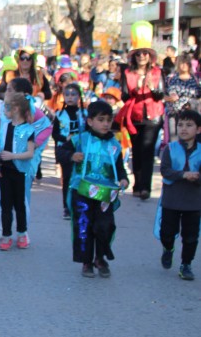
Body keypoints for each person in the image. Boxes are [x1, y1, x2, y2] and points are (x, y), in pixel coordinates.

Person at [56, 100, 129, 277]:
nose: (105, 124)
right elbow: (60, 153)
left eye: (108, 120)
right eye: (101, 119)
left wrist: (123, 178)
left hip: (104, 194)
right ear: (90, 121)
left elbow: (119, 167)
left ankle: (100, 257)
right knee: (83, 226)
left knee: (105, 226)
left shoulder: (115, 145)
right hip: (81, 191)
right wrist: (72, 155)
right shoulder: (79, 139)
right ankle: (87, 262)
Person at [118, 21, 164, 200]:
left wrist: (152, 88)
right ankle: (137, 184)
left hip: (153, 117)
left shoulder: (157, 72)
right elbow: (123, 96)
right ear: (134, 56)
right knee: (136, 151)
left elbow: (161, 95)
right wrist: (134, 90)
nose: (142, 56)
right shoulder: (128, 73)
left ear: (150, 56)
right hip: (134, 117)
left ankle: (146, 187)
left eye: (145, 53)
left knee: (147, 150)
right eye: (139, 53)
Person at [157, 109, 201, 280]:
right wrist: (183, 175)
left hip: (193, 201)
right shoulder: (170, 148)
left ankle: (186, 264)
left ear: (198, 129)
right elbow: (165, 170)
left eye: (189, 125)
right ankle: (168, 248)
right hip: (172, 200)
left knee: (190, 236)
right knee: (167, 233)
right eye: (180, 124)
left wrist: (196, 177)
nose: (183, 129)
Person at [0, 92, 36, 250]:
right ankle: (6, 235)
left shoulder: (28, 129)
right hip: (4, 171)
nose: (4, 110)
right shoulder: (5, 126)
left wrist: (13, 156)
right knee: (5, 204)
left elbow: (30, 153)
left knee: (19, 204)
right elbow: (0, 147)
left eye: (6, 107)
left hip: (19, 172)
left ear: (16, 109)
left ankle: (21, 233)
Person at [52, 83, 87, 219]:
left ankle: (80, 205)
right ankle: (67, 207)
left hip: (81, 150)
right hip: (65, 150)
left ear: (79, 96)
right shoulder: (60, 115)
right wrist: (65, 138)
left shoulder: (84, 114)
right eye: (67, 95)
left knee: (81, 177)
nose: (70, 97)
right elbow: (55, 134)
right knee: (67, 178)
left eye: (73, 94)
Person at [164, 54, 201, 140]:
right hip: (174, 114)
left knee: (193, 140)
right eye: (181, 63)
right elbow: (163, 95)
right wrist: (170, 98)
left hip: (192, 115)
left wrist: (192, 103)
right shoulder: (171, 78)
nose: (184, 66)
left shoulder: (195, 79)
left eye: (186, 63)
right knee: (174, 141)